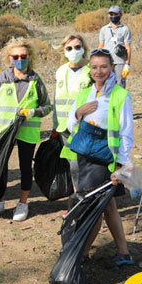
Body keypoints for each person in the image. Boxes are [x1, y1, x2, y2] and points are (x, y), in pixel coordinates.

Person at [65, 48, 135, 266]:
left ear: (111, 67)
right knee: (108, 205)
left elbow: (126, 132)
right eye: (94, 67)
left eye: (103, 66)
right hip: (85, 156)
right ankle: (123, 252)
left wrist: (120, 165)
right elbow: (70, 124)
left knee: (93, 204)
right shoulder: (85, 92)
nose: (99, 71)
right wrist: (79, 113)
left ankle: (82, 252)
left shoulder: (120, 95)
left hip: (106, 158)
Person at [0, 37, 52, 221]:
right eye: (15, 56)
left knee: (25, 168)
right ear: (9, 58)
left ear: (30, 56)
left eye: (23, 55)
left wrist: (33, 112)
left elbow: (47, 106)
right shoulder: (2, 78)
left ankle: (23, 204)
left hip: (27, 132)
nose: (19, 59)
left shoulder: (35, 80)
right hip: (3, 130)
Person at [53, 34, 91, 197]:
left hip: (83, 127)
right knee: (72, 164)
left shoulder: (91, 70)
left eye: (77, 47)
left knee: (80, 165)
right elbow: (56, 99)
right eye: (69, 48)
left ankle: (83, 198)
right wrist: (55, 126)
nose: (73, 51)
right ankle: (79, 198)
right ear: (64, 51)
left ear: (84, 48)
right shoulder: (61, 71)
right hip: (64, 128)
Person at [97, 6, 131, 88]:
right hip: (107, 62)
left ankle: (120, 101)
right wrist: (97, 59)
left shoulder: (125, 29)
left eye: (115, 14)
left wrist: (127, 64)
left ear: (120, 15)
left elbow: (128, 47)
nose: (113, 16)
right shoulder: (104, 29)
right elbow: (101, 45)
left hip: (120, 61)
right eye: (111, 14)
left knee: (120, 85)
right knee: (106, 85)